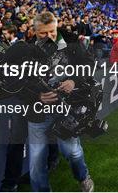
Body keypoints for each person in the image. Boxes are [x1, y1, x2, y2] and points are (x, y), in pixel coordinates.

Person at [21, 11, 94, 192]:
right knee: (37, 161)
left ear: (57, 27)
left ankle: (83, 176)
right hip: (37, 112)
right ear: (34, 31)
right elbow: (19, 83)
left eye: (52, 32)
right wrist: (37, 96)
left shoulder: (71, 43)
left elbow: (90, 64)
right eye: (43, 33)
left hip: (66, 109)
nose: (48, 37)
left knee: (72, 152)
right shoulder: (26, 50)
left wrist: (74, 80)